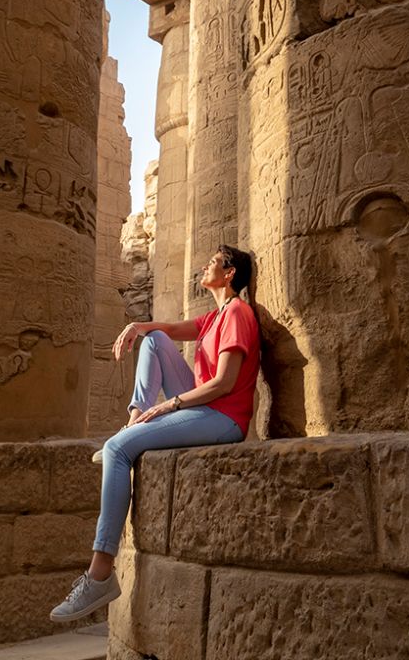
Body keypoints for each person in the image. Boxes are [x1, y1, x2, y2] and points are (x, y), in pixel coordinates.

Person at [49, 244, 260, 622]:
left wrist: (171, 403)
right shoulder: (215, 317)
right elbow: (167, 331)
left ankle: (100, 574)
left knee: (117, 450)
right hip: (205, 407)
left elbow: (224, 384)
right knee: (154, 340)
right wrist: (137, 325)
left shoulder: (238, 314)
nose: (203, 266)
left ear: (229, 274)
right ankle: (133, 421)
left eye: (211, 262)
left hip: (223, 417)